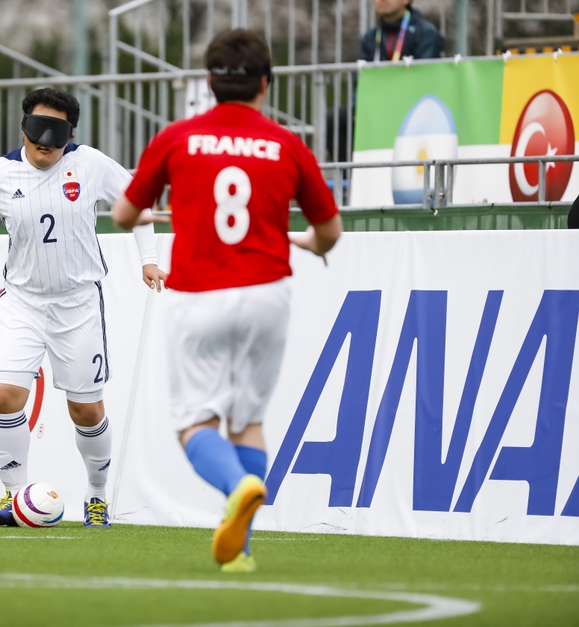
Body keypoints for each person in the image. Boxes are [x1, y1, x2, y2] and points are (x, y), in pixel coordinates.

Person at [112, 29, 342, 572]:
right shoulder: (287, 144)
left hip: (200, 295)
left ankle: (238, 486)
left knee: (195, 424)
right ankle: (238, 550)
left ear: (209, 82)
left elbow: (124, 215)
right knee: (248, 423)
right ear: (266, 83)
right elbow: (329, 230)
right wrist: (307, 242)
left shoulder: (177, 137)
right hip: (268, 293)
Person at [0, 87, 166, 529]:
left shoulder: (89, 164)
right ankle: (16, 498)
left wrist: (148, 260)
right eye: (37, 129)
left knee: (86, 411)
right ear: (23, 128)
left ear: (70, 134)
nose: (45, 141)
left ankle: (96, 497)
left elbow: (137, 203)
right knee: (6, 396)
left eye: (57, 132)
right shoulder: (0, 174)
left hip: (78, 306)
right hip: (23, 304)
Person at [327, 0, 444, 163]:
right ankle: (353, 181)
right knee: (335, 121)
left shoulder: (426, 34)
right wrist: (358, 109)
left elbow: (425, 80)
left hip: (410, 108)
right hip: (376, 107)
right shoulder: (370, 37)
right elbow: (362, 79)